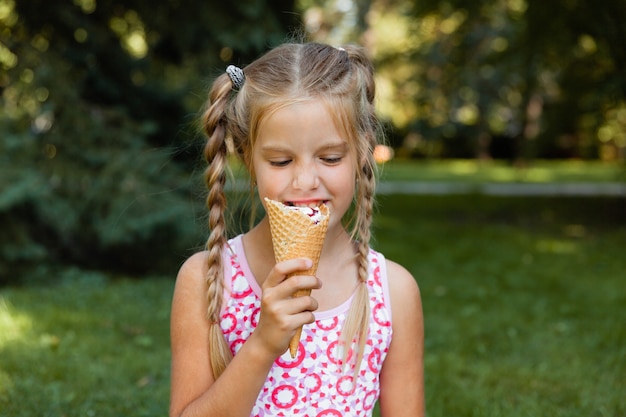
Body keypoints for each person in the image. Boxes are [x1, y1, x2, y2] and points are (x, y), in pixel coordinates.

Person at [169, 41, 424, 417]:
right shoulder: (208, 281)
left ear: (362, 153)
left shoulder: (394, 292)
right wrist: (262, 344)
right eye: (281, 160)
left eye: (331, 157)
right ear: (247, 156)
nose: (305, 180)